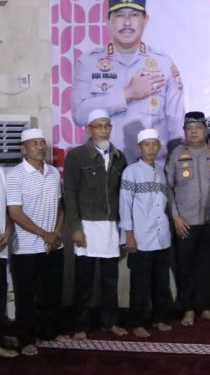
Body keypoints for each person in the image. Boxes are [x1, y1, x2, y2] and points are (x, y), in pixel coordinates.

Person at [71, 0, 184, 163]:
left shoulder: (163, 64)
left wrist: (175, 169)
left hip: (150, 168)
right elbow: (79, 115)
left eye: (134, 15)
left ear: (145, 20)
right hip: (101, 169)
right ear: (108, 20)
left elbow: (176, 126)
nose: (127, 22)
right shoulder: (88, 63)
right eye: (119, 15)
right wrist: (127, 93)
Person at [63, 109, 128, 340]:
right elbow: (69, 194)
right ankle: (80, 325)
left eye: (107, 125)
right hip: (86, 226)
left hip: (111, 226)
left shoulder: (119, 157)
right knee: (84, 279)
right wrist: (75, 228)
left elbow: (122, 195)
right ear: (89, 129)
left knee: (110, 279)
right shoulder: (77, 156)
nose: (104, 130)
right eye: (99, 126)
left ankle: (110, 322)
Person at [6, 129, 69, 355]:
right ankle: (26, 339)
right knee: (26, 296)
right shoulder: (15, 175)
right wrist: (44, 234)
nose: (41, 147)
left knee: (52, 292)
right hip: (26, 247)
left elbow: (61, 208)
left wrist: (56, 233)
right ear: (23, 149)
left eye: (42, 142)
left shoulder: (53, 173)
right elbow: (15, 213)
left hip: (54, 244)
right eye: (35, 143)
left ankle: (51, 331)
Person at [165, 111, 210, 326]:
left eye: (198, 128)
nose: (193, 132)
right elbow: (167, 188)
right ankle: (188, 308)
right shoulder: (176, 153)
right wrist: (175, 217)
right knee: (185, 267)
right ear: (184, 131)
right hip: (185, 223)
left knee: (209, 267)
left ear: (206, 131)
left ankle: (206, 308)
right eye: (189, 129)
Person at [119, 128, 173, 338]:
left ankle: (159, 318)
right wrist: (129, 234)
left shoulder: (160, 171)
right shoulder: (131, 172)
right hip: (141, 237)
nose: (151, 148)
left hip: (161, 236)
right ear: (139, 148)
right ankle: (137, 322)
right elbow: (125, 204)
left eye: (154, 144)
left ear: (159, 147)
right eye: (146, 144)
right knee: (140, 283)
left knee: (161, 282)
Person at [0, 167, 18, 358]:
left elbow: (6, 209)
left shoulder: (1, 173)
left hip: (1, 246)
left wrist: (7, 232)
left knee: (1, 292)